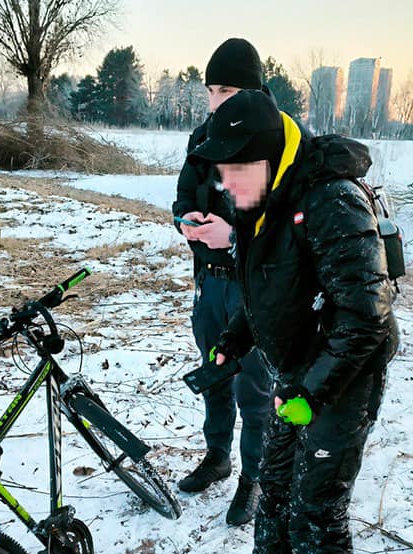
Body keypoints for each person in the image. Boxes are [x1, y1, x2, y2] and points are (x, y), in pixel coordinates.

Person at [188, 89, 399, 554]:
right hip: (299, 370)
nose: (226, 185)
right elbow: (267, 288)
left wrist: (312, 389)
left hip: (344, 372)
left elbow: (365, 314)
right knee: (277, 477)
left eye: (233, 172)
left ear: (264, 160)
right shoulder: (265, 199)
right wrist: (232, 343)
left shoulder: (331, 199)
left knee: (317, 504)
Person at [173, 38, 273, 526]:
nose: (217, 100)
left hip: (251, 288)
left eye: (228, 89)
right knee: (213, 372)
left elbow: (274, 225)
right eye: (211, 89)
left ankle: (254, 478)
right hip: (208, 283)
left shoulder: (270, 139)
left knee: (253, 387)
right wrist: (185, 220)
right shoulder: (202, 137)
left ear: (252, 90)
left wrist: (232, 235)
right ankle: (218, 457)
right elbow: (182, 193)